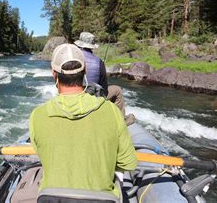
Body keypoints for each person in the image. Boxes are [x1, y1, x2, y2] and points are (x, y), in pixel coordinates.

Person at [29, 43, 137, 199]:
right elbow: (128, 163)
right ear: (85, 70)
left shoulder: (37, 116)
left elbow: (43, 154)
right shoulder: (112, 112)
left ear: (54, 73)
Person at [74, 32, 126, 116]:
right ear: (92, 46)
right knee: (117, 90)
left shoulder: (72, 58)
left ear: (79, 44)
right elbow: (104, 88)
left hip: (75, 95)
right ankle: (120, 119)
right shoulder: (99, 62)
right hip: (93, 97)